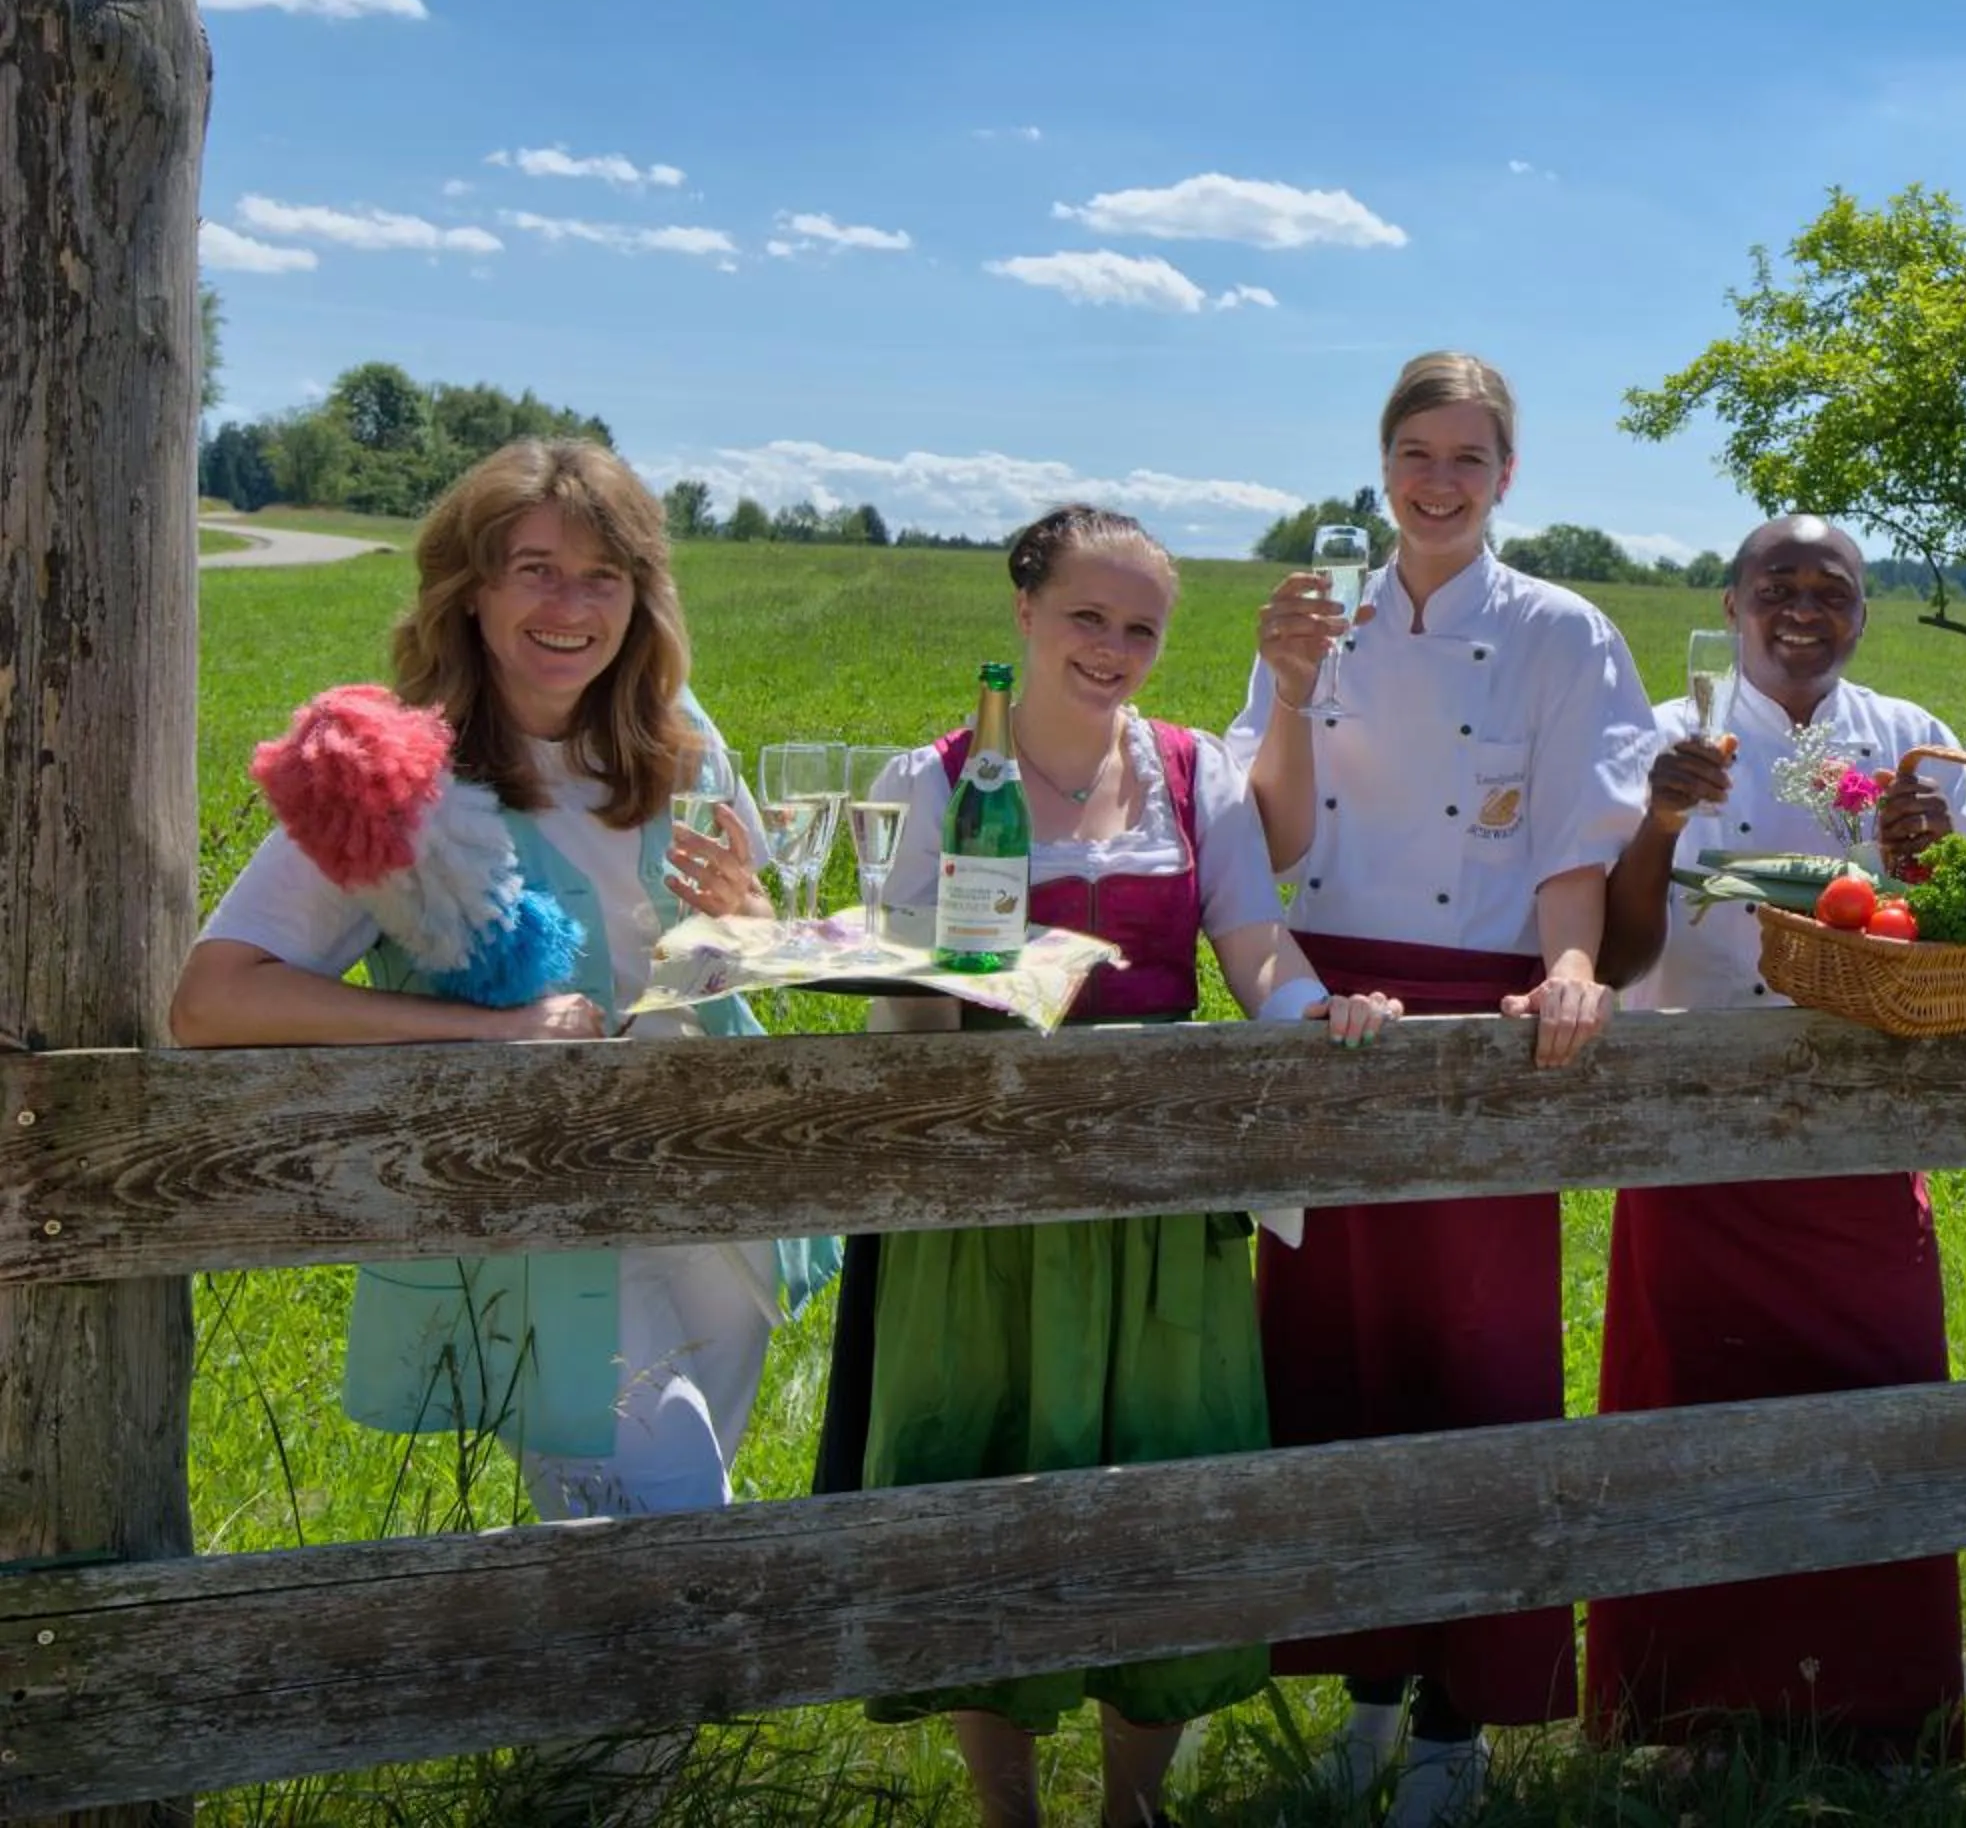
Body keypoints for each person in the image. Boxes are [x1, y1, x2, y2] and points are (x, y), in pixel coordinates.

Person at [828, 504, 1402, 1828]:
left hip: (1157, 1197)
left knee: (1165, 1490)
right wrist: (888, 986)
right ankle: (1008, 1811)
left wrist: (1310, 1012)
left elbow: (1254, 945)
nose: (1114, 646)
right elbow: (901, 1010)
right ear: (1023, 610)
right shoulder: (933, 782)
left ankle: (1133, 1811)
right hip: (984, 1204)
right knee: (983, 1488)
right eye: (1087, 615)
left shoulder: (1196, 776)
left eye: (1141, 627)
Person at [169, 439, 823, 1526]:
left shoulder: (682, 738)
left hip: (713, 1188)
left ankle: (591, 1697)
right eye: (535, 568)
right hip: (541, 1200)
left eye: (603, 575)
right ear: (469, 593)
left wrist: (753, 921)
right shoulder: (393, 781)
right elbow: (213, 998)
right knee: (674, 1513)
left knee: (645, 1540)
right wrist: (480, 1029)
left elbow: (741, 941)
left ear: (640, 597)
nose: (571, 603)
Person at [1229, 351, 1651, 1824]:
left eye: (1469, 458)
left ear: (1508, 478)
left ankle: (1458, 1721)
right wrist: (1284, 690)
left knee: (1477, 1361)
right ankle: (1358, 1689)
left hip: (1483, 1001)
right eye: (1417, 452)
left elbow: (1575, 841)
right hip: (1335, 1002)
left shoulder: (1562, 631)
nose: (1439, 481)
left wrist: (1577, 969)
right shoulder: (1312, 620)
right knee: (1335, 1354)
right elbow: (1268, 837)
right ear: (1382, 463)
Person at [1587, 515, 1966, 1761]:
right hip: (1697, 1116)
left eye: (1833, 588)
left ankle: (1880, 1710)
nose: (1803, 607)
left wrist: (1938, 856)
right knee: (1689, 1406)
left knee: (1879, 1399)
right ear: (1732, 601)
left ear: (1866, 609)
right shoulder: (1656, 733)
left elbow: (1958, 936)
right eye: (1776, 585)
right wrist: (1654, 826)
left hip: (1863, 1114)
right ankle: (1683, 1712)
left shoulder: (1913, 738)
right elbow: (1624, 953)